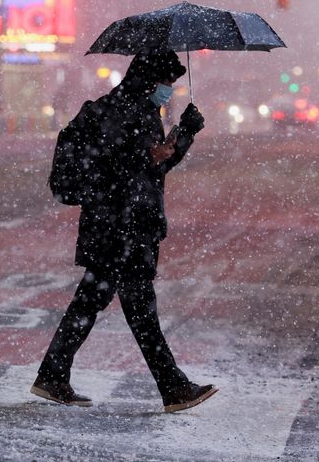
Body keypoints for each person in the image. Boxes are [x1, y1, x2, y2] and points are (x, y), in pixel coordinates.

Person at [31, 51, 218, 414]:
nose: (169, 91)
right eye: (166, 83)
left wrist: (185, 134)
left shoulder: (140, 110)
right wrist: (148, 156)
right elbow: (118, 165)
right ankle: (173, 387)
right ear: (149, 81)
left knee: (100, 301)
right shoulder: (120, 112)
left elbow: (154, 167)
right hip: (120, 226)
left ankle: (53, 374)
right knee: (137, 308)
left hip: (125, 225)